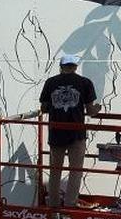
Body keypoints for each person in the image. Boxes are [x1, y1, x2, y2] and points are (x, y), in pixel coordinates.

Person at [39, 53, 100, 210]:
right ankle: (70, 203)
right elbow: (91, 110)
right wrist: (97, 109)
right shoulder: (85, 83)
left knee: (55, 170)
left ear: (61, 67)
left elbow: (44, 108)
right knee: (75, 170)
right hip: (76, 134)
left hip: (56, 132)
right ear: (75, 67)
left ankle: (53, 204)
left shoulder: (50, 82)